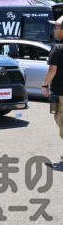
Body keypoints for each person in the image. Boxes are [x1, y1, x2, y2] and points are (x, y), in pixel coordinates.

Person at [42, 15, 63, 158]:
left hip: (61, 92)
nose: (54, 30)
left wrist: (45, 85)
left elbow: (52, 70)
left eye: (56, 27)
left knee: (60, 120)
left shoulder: (58, 48)